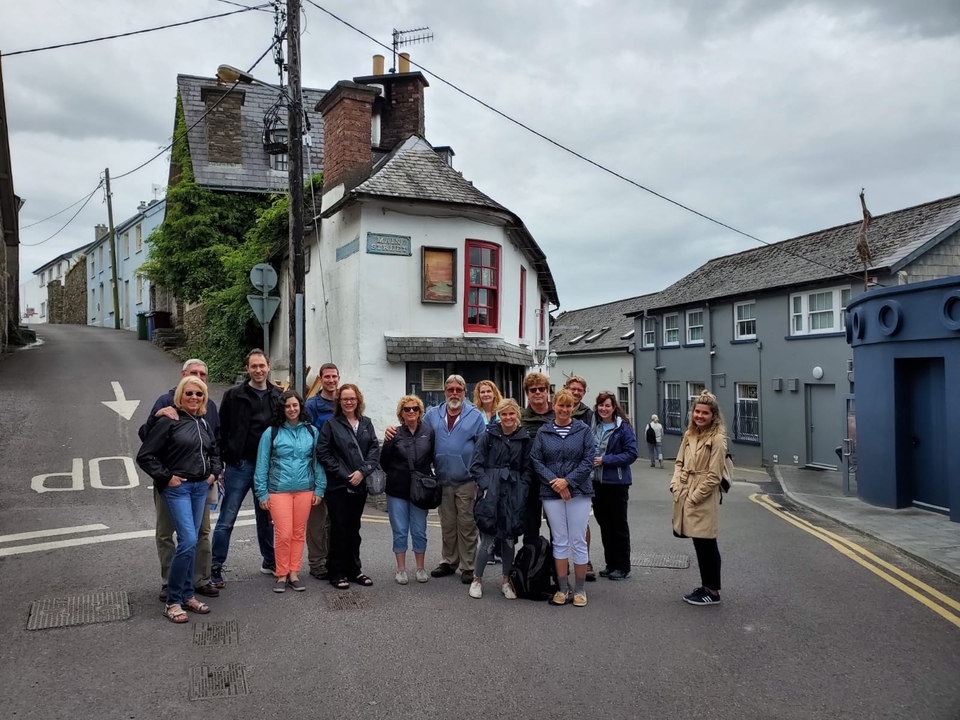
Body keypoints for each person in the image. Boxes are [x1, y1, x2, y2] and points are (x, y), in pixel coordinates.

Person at [137, 376, 221, 623]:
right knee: (188, 540)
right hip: (178, 489)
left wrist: (213, 474)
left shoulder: (203, 423)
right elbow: (145, 455)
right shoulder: (169, 420)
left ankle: (187, 595)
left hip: (199, 488)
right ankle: (173, 601)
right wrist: (167, 477)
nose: (194, 398)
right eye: (189, 393)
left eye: (199, 394)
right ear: (180, 396)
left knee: (191, 543)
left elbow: (214, 451)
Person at [210, 350, 281, 587]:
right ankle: (215, 565)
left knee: (267, 518)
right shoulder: (233, 395)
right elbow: (222, 429)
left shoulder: (277, 395)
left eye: (262, 366)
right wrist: (224, 460)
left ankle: (269, 561)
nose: (258, 370)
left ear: (268, 367)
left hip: (268, 467)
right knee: (227, 517)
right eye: (254, 366)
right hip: (240, 465)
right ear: (247, 369)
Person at [254, 391, 327, 593]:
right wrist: (262, 493)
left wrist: (319, 488)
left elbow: (317, 463)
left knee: (297, 533)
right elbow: (262, 464)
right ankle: (281, 573)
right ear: (282, 409)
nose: (292, 409)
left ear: (301, 407)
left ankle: (294, 572)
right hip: (278, 490)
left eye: (295, 405)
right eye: (287, 406)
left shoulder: (312, 432)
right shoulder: (272, 432)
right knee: (283, 533)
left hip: (305, 489)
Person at [531, 389, 596, 608]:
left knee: (577, 539)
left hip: (579, 491)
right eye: (561, 405)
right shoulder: (543, 431)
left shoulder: (583, 430)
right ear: (554, 406)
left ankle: (579, 589)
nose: (565, 409)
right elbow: (536, 460)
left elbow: (588, 460)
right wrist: (556, 483)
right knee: (559, 540)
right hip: (551, 492)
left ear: (574, 408)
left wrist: (568, 482)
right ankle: (562, 588)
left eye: (569, 406)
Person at [419, 375, 486, 583]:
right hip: (442, 479)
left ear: (465, 392)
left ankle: (468, 565)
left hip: (466, 480)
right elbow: (420, 437)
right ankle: (449, 561)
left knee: (467, 524)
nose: (454, 393)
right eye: (451, 389)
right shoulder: (432, 415)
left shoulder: (475, 416)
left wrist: (479, 478)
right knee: (447, 524)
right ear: (445, 391)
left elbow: (482, 449)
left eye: (458, 389)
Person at [467, 399, 531, 600]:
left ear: (517, 416)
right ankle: (477, 579)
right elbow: (475, 465)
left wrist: (522, 487)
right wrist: (486, 485)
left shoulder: (524, 438)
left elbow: (528, 468)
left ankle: (506, 580)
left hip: (513, 490)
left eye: (511, 414)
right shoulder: (488, 435)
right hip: (492, 490)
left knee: (509, 538)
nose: (508, 418)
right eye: (504, 414)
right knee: (488, 536)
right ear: (499, 416)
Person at [317, 384, 379, 589]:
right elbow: (323, 453)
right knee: (338, 529)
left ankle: (355, 570)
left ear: (358, 400)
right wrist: (345, 475)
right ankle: (337, 572)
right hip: (338, 487)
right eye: (344, 399)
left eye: (352, 398)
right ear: (339, 402)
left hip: (359, 485)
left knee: (354, 529)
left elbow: (373, 451)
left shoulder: (366, 423)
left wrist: (362, 472)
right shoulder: (330, 424)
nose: (349, 402)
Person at [671, 391, 728, 606]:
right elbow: (678, 463)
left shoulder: (718, 439)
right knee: (698, 541)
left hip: (702, 495)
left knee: (707, 542)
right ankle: (706, 586)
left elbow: (714, 476)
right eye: (697, 411)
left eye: (705, 413)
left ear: (714, 416)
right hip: (684, 489)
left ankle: (712, 591)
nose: (700, 416)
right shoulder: (689, 435)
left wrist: (694, 498)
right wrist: (675, 486)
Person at [380, 394, 435, 585]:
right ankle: (401, 569)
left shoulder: (429, 432)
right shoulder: (393, 434)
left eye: (415, 409)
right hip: (397, 490)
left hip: (420, 491)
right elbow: (384, 462)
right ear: (401, 413)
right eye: (407, 409)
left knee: (419, 530)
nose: (411, 412)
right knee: (400, 530)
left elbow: (432, 458)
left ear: (420, 412)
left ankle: (420, 568)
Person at [591, 391, 638, 581]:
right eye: (601, 405)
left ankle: (623, 566)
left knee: (618, 526)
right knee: (604, 525)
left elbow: (631, 454)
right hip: (597, 483)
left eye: (607, 405)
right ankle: (611, 564)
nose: (604, 409)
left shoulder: (623, 428)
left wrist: (605, 459)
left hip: (617, 483)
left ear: (614, 407)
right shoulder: (594, 426)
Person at [304, 363, 339, 580]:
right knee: (317, 520)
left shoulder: (344, 401)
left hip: (339, 469)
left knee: (335, 520)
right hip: (318, 467)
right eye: (327, 377)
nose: (331, 380)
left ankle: (331, 560)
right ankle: (317, 563)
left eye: (334, 376)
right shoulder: (311, 405)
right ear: (320, 378)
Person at [564, 374, 597, 579]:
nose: (576, 393)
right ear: (566, 388)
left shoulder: (587, 414)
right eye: (573, 389)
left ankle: (585, 561)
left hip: (581, 475)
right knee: (558, 523)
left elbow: (590, 446)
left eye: (580, 390)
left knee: (581, 522)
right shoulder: (557, 407)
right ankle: (562, 561)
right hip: (558, 476)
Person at [519, 372, 554, 544]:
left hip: (553, 479)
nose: (538, 392)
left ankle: (558, 567)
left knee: (557, 527)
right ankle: (531, 567)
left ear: (547, 391)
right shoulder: (520, 418)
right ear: (527, 393)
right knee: (530, 527)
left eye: (541, 389)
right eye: (533, 390)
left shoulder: (559, 414)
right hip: (530, 479)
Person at [472, 379, 503, 564]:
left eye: (488, 391)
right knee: (485, 509)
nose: (485, 395)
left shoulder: (503, 412)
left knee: (501, 509)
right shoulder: (476, 415)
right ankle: (486, 548)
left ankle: (499, 548)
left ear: (494, 393)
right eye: (482, 392)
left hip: (500, 465)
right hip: (483, 466)